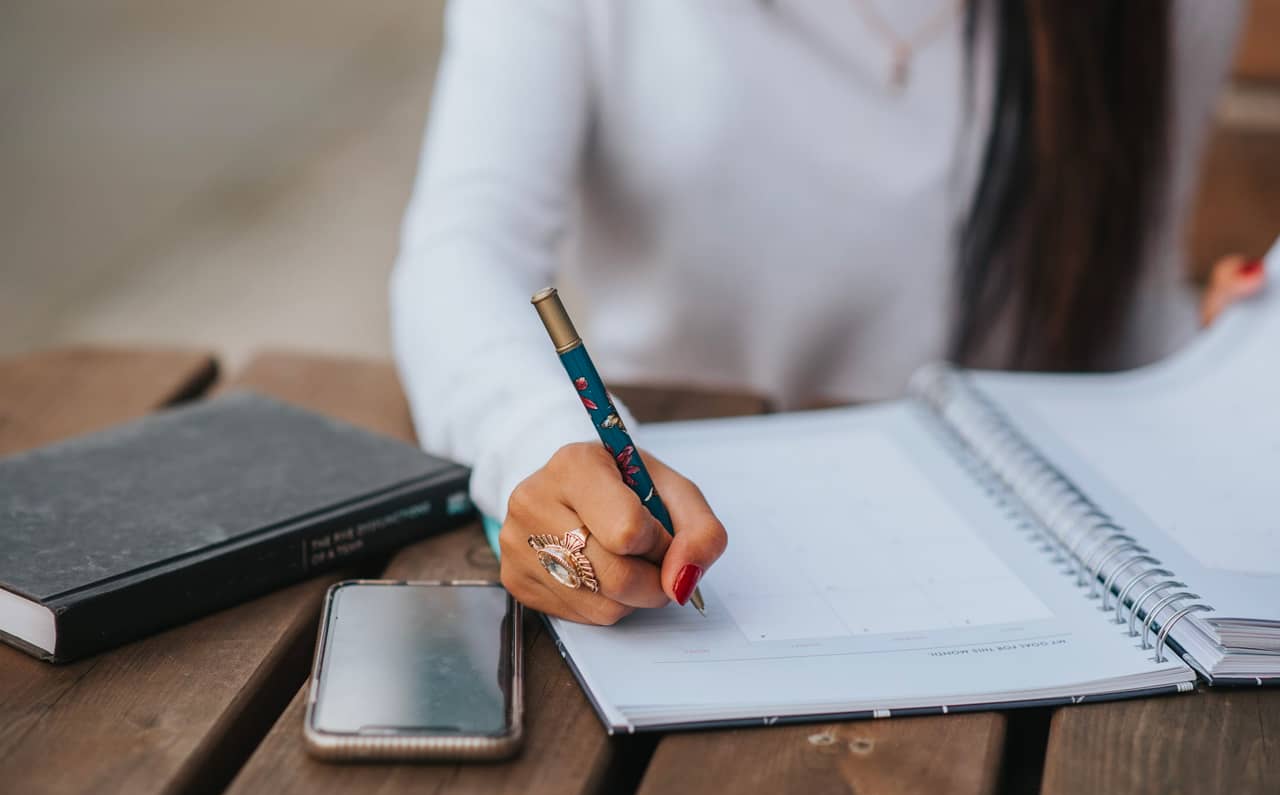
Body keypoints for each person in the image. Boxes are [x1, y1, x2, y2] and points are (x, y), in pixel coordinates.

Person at [390, 0, 1265, 624]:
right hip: (673, 508)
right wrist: (540, 443)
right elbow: (464, 245)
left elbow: (1123, 296)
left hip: (1036, 571)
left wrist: (1223, 357)